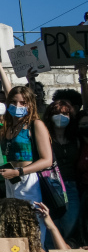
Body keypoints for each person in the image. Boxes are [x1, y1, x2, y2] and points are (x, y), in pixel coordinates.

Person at [44, 100, 78, 240]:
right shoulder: (45, 138)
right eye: (57, 113)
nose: (61, 117)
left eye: (65, 114)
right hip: (51, 185)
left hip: (71, 186)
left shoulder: (76, 139)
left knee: (71, 224)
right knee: (53, 226)